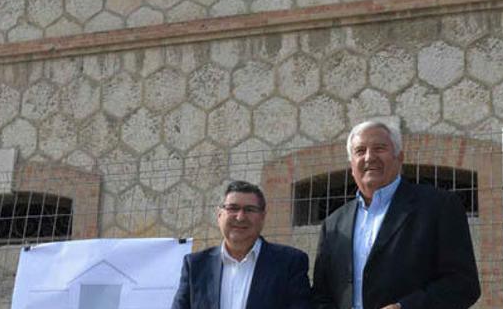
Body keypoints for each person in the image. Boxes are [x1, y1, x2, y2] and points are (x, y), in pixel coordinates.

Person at [312, 119, 480, 309]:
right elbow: (321, 295)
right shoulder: (333, 224)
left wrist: (405, 307)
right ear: (351, 166)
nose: (369, 157)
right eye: (360, 151)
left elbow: (463, 284)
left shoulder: (438, 206)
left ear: (399, 157)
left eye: (379, 148)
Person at [172, 180, 312, 309]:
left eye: (250, 210)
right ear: (219, 214)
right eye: (233, 208)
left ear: (262, 217)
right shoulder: (196, 266)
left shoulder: (290, 263)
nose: (240, 217)